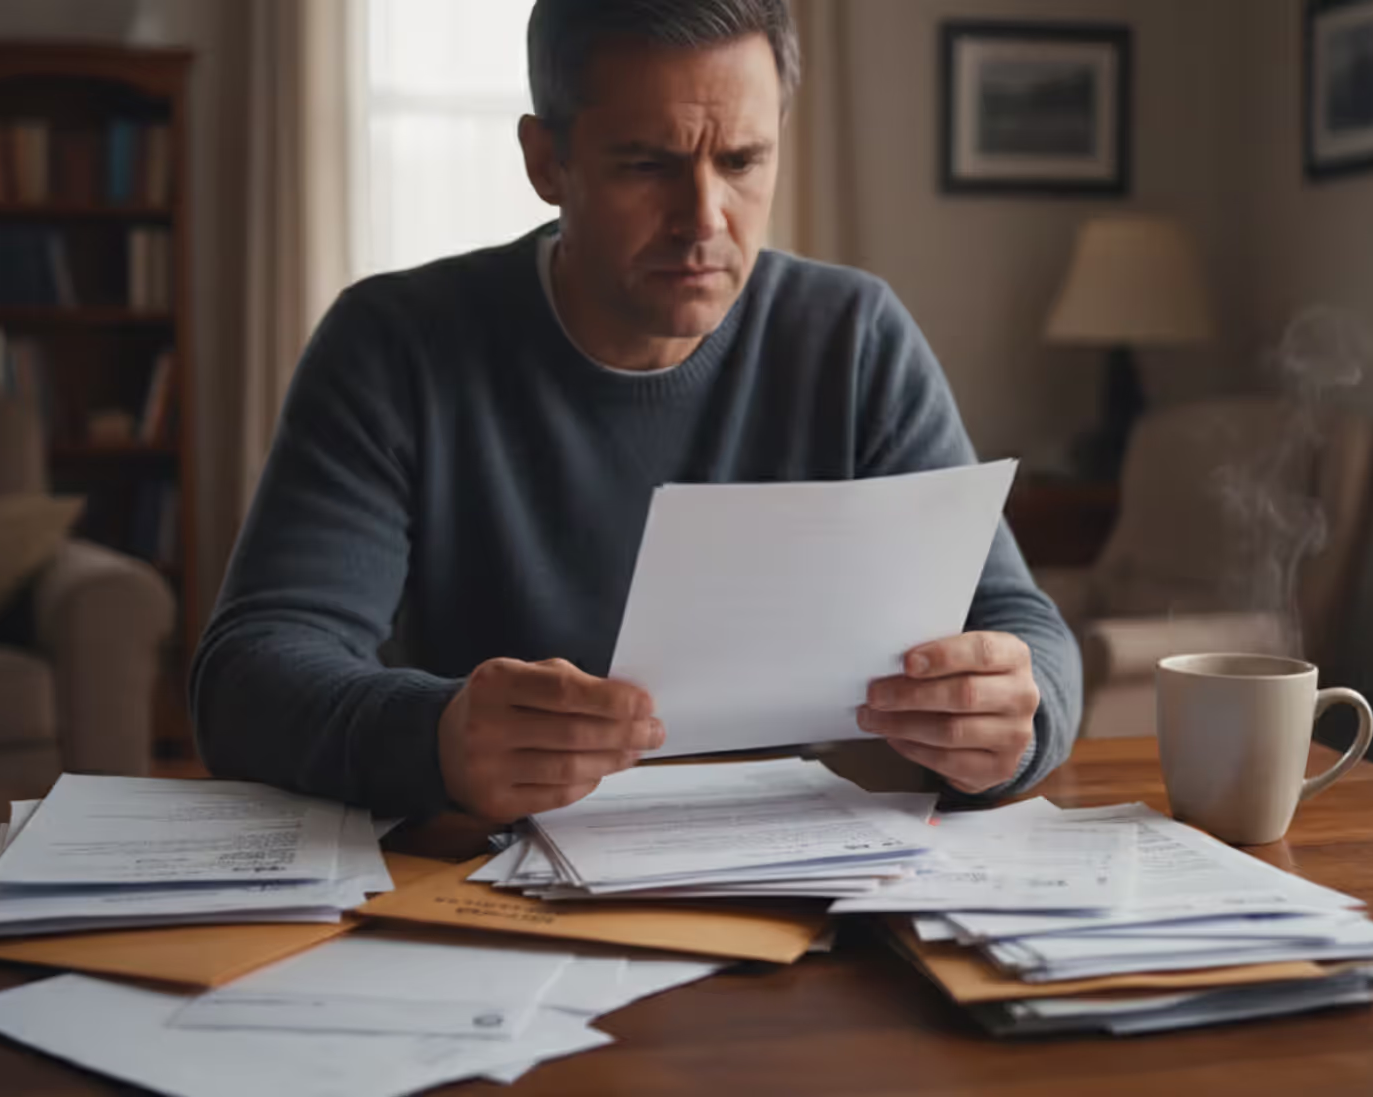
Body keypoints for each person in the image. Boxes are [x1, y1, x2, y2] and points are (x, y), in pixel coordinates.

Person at [192, 0, 1080, 829]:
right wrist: (435, 735)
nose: (703, 218)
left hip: (794, 875)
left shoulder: (853, 336)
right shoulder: (394, 344)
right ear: (548, 161)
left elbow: (1022, 622)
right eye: (647, 164)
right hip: (487, 887)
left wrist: (1012, 717)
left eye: (741, 162)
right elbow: (249, 672)